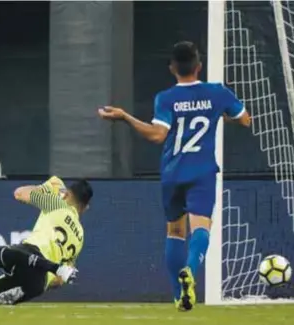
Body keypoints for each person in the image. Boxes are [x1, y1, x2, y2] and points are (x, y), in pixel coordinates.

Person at [98, 41, 251, 311]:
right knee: (201, 227)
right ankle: (190, 271)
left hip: (172, 173)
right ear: (199, 65)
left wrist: (125, 117)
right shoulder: (217, 93)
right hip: (202, 172)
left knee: (175, 231)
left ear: (172, 68)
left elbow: (157, 135)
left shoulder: (166, 98)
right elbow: (244, 119)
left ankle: (178, 295)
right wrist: (218, 115)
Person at [0, 177, 93, 305]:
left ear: (67, 193)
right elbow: (59, 281)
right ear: (86, 207)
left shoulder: (57, 204)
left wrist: (45, 188)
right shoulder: (80, 236)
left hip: (26, 256)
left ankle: (51, 267)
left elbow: (19, 193)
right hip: (38, 283)